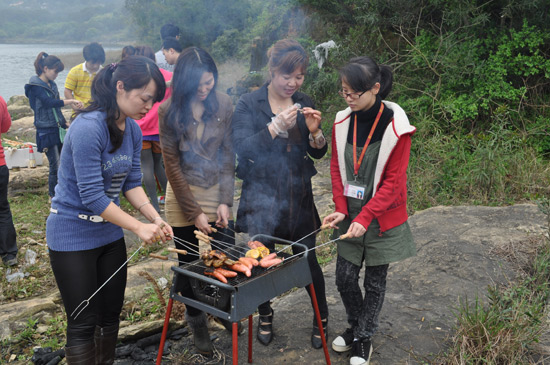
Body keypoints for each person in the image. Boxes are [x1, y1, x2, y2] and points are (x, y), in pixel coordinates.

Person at [46, 56, 173, 364]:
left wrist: (155, 218)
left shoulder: (132, 130)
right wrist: (138, 228)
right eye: (145, 98)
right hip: (72, 235)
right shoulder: (89, 128)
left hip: (108, 234)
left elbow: (131, 182)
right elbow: (91, 195)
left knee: (110, 316)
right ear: (120, 87)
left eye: (153, 101)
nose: (149, 107)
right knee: (83, 321)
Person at [232, 39, 329, 349]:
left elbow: (318, 153)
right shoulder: (249, 103)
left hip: (297, 192)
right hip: (261, 192)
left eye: (299, 76)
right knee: (260, 259)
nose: (293, 83)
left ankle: (320, 317)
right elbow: (242, 148)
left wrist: (315, 132)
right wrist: (274, 127)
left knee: (307, 259)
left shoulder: (304, 100)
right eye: (287, 76)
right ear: (271, 71)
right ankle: (266, 313)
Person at [322, 56, 416, 365]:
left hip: (382, 216)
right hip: (350, 214)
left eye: (353, 92)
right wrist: (340, 208)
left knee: (375, 282)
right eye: (343, 91)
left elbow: (392, 182)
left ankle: (364, 336)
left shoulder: (396, 126)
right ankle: (355, 325)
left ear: (375, 88)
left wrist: (366, 216)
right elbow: (336, 168)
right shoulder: (342, 121)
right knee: (344, 278)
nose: (347, 98)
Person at [158, 47, 235, 355]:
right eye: (198, 85)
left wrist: (225, 200)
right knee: (189, 264)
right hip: (182, 193)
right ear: (184, 82)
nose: (205, 90)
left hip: (215, 186)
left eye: (210, 82)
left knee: (224, 255)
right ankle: (197, 322)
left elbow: (228, 153)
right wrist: (193, 213)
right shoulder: (168, 111)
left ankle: (223, 309)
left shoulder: (224, 103)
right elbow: (171, 165)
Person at [24, 52, 83, 200]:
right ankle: (53, 195)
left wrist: (64, 123)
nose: (56, 74)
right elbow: (48, 103)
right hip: (45, 130)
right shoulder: (35, 86)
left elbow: (55, 109)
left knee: (64, 162)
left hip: (57, 128)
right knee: (55, 164)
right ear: (45, 68)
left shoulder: (52, 84)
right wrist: (70, 101)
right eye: (55, 71)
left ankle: (64, 193)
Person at [134, 45, 170, 213]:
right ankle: (171, 201)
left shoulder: (138, 79)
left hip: (141, 129)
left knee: (146, 166)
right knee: (158, 165)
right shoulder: (167, 76)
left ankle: (154, 206)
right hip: (159, 129)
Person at [0, 96, 17, 267]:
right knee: (2, 209)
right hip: (0, 165)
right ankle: (9, 254)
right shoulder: (0, 100)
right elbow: (5, 127)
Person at [64, 42, 106, 110]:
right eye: (93, 63)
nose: (96, 65)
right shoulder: (75, 71)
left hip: (97, 111)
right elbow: (67, 91)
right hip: (79, 110)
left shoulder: (104, 73)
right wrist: (74, 105)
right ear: (87, 59)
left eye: (98, 62)